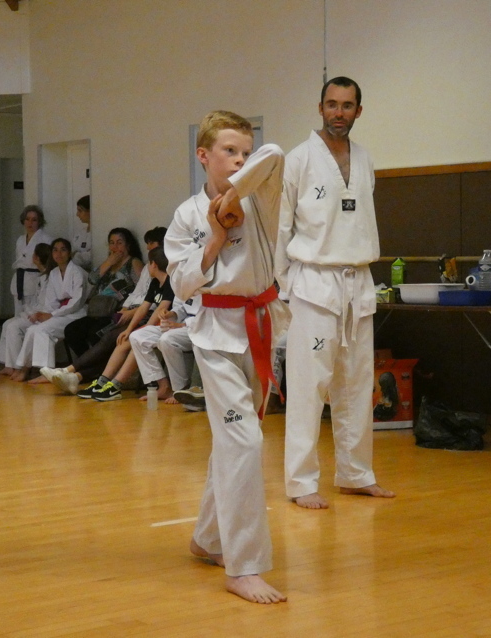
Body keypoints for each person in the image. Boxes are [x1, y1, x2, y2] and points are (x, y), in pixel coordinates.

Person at [165, 110, 288, 604]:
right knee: (244, 442)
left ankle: (207, 538)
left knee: (233, 444)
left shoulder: (261, 199)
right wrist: (215, 236)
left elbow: (274, 155)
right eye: (228, 151)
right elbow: (180, 283)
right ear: (203, 155)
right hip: (214, 335)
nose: (240, 158)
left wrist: (234, 193)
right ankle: (244, 565)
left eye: (243, 152)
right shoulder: (187, 215)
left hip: (259, 326)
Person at [277, 76, 394, 510]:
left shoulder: (364, 159)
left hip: (358, 281)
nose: (338, 113)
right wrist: (285, 286)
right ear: (320, 107)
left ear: (358, 111)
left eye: (347, 105)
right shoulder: (298, 159)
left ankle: (356, 474)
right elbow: (280, 227)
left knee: (357, 383)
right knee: (309, 387)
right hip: (314, 283)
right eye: (332, 104)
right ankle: (301, 481)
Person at [45, 228, 166, 394]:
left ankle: (77, 374)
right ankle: (76, 374)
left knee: (108, 337)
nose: (148, 247)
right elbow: (136, 294)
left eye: (119, 243)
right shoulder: (146, 269)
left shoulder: (147, 267)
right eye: (111, 243)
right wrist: (126, 309)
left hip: (138, 315)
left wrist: (131, 317)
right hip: (122, 312)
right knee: (74, 330)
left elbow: (154, 304)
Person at [87, 246, 175, 401]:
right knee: (124, 340)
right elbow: (143, 308)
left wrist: (145, 328)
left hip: (169, 325)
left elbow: (161, 309)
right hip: (155, 327)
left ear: (154, 264)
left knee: (138, 341)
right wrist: (129, 329)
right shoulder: (155, 283)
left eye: (149, 263)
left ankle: (116, 385)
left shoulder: (171, 283)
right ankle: (102, 382)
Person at [11, 238, 88, 382]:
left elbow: (76, 302)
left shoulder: (77, 272)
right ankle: (25, 368)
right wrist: (44, 314)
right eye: (55, 250)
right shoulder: (53, 273)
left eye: (63, 250)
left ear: (69, 253)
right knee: (32, 329)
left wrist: (52, 315)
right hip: (59, 314)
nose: (59, 253)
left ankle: (45, 373)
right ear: (52, 254)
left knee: (42, 330)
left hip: (75, 314)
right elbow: (51, 301)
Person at [62, 227, 144, 356]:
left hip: (117, 312)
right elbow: (92, 279)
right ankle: (88, 364)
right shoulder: (108, 264)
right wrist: (108, 262)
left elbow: (143, 288)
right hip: (98, 311)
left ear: (128, 245)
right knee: (71, 330)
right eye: (112, 243)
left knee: (95, 333)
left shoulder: (133, 263)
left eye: (119, 242)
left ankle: (97, 365)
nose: (115, 247)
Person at [129, 295, 199, 404]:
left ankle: (180, 389)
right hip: (179, 326)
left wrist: (182, 324)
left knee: (167, 339)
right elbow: (182, 306)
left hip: (199, 328)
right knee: (137, 337)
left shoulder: (210, 286)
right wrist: (172, 313)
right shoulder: (182, 284)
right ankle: (163, 386)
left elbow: (210, 314)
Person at [0, 242, 52, 376]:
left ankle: (18, 366)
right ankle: (9, 365)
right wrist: (28, 311)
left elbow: (45, 304)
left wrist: (31, 312)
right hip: (34, 312)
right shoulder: (41, 276)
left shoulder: (49, 278)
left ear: (36, 258)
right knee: (7, 323)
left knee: (13, 327)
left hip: (42, 315)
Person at [10, 204, 53, 316]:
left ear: (39, 222)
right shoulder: (20, 240)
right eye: (27, 219)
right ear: (23, 221)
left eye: (34, 220)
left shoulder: (46, 239)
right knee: (18, 314)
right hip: (19, 279)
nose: (30, 223)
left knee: (31, 314)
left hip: (35, 279)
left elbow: (49, 264)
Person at [71, 195, 92, 270]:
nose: (77, 214)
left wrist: (77, 255)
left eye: (80, 210)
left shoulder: (98, 234)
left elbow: (91, 257)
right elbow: (70, 252)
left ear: (90, 211)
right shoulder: (80, 233)